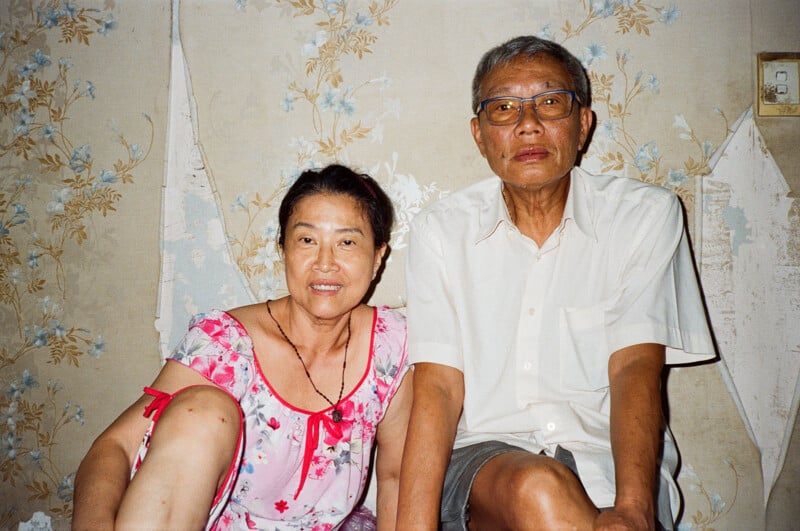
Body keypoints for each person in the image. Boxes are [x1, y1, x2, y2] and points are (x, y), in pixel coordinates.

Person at [397, 36, 716, 531]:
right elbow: (436, 388)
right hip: (483, 467)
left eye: (550, 102)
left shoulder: (644, 216)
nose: (528, 124)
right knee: (539, 487)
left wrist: (632, 508)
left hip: (607, 466)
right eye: (503, 108)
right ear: (479, 135)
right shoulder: (442, 231)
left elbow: (635, 365)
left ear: (583, 124)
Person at [72, 164, 412, 530]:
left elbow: (395, 478)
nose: (325, 263)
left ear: (377, 257)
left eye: (346, 242)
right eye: (307, 240)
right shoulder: (224, 345)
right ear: (283, 248)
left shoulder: (388, 347)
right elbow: (116, 447)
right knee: (203, 410)